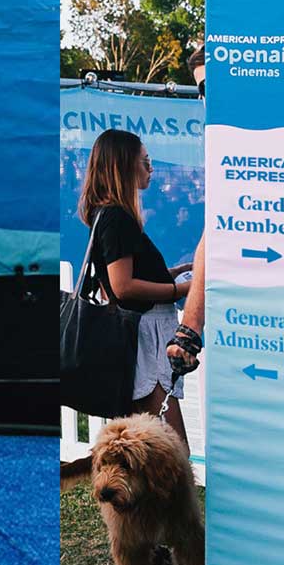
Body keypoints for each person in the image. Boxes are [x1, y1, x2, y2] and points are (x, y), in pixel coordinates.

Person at [77, 129, 200, 439]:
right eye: (145, 161)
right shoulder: (118, 219)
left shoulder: (106, 215)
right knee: (171, 448)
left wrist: (174, 272)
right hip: (145, 337)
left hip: (140, 334)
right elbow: (123, 287)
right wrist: (183, 289)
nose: (151, 168)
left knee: (151, 445)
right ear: (123, 166)